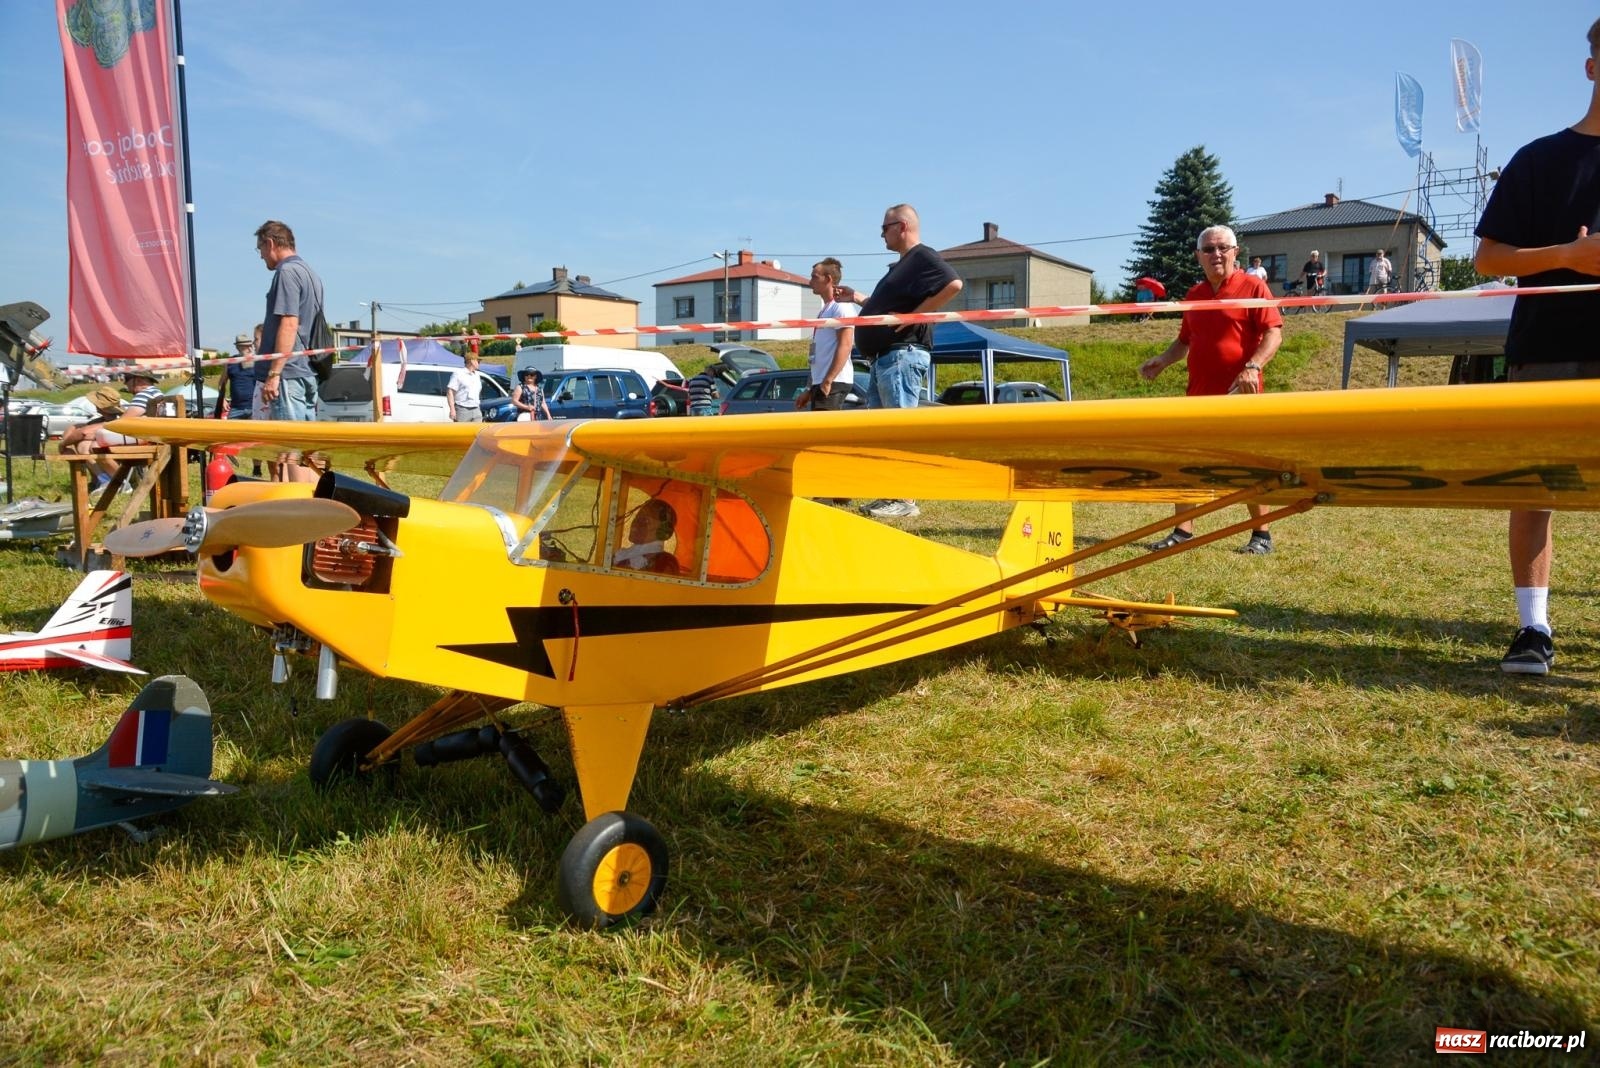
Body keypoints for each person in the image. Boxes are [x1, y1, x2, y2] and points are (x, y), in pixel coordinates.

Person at [1472, 15, 1600, 675]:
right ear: (1590, 65)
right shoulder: (1539, 159)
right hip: (1545, 347)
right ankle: (1533, 628)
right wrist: (1571, 258)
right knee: (1535, 487)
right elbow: (1487, 259)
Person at [1138, 225, 1284, 554]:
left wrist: (1253, 366)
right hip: (1198, 397)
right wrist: (1163, 360)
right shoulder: (1194, 295)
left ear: (1235, 252)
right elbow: (1185, 341)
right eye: (1209, 249)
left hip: (1240, 397)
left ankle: (1261, 536)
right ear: (1198, 256)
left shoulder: (1253, 286)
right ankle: (1182, 532)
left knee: (1247, 466)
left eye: (1222, 248)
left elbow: (1274, 333)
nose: (1216, 254)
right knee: (1187, 463)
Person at [834, 204, 963, 519]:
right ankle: (891, 494)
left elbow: (953, 283)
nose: (881, 233)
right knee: (883, 431)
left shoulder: (921, 256)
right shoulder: (901, 266)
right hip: (885, 358)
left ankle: (905, 497)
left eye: (885, 227)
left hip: (901, 355)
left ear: (902, 226)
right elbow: (887, 305)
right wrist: (859, 298)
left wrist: (918, 314)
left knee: (897, 428)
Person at [253, 220, 323, 482]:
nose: (261, 255)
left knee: (291, 446)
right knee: (306, 446)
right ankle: (317, 505)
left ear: (270, 243)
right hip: (306, 370)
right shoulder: (310, 273)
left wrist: (274, 373)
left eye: (260, 248)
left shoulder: (286, 273)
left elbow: (289, 322)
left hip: (290, 373)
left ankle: (300, 510)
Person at [59, 370, 166, 489]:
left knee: (95, 445)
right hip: (151, 436)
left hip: (146, 438)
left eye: (127, 380)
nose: (126, 384)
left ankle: (121, 484)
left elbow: (122, 423)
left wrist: (89, 433)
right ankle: (108, 481)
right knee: (88, 441)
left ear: (138, 380)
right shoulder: (154, 393)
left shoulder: (144, 394)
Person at [796, 257, 858, 411]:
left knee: (824, 434)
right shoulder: (825, 311)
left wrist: (828, 380)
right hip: (822, 382)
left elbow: (846, 344)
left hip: (833, 383)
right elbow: (817, 354)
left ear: (828, 279)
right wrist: (809, 389)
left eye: (814, 277)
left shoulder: (841, 307)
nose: (810, 282)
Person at [613, 498, 679, 573]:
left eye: (645, 521)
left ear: (662, 532)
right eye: (636, 518)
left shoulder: (665, 562)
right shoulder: (623, 556)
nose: (635, 525)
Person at [214, 329, 259, 420]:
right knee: (231, 433)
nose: (250, 349)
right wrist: (222, 399)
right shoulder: (230, 362)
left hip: (254, 408)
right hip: (236, 409)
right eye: (246, 347)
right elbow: (221, 383)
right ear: (238, 348)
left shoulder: (258, 361)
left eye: (251, 346)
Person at [446, 351, 483, 422]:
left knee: (478, 432)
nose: (479, 363)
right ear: (472, 361)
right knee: (461, 433)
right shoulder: (458, 373)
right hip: (462, 409)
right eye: (478, 361)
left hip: (476, 409)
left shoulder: (477, 375)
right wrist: (452, 409)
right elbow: (450, 392)